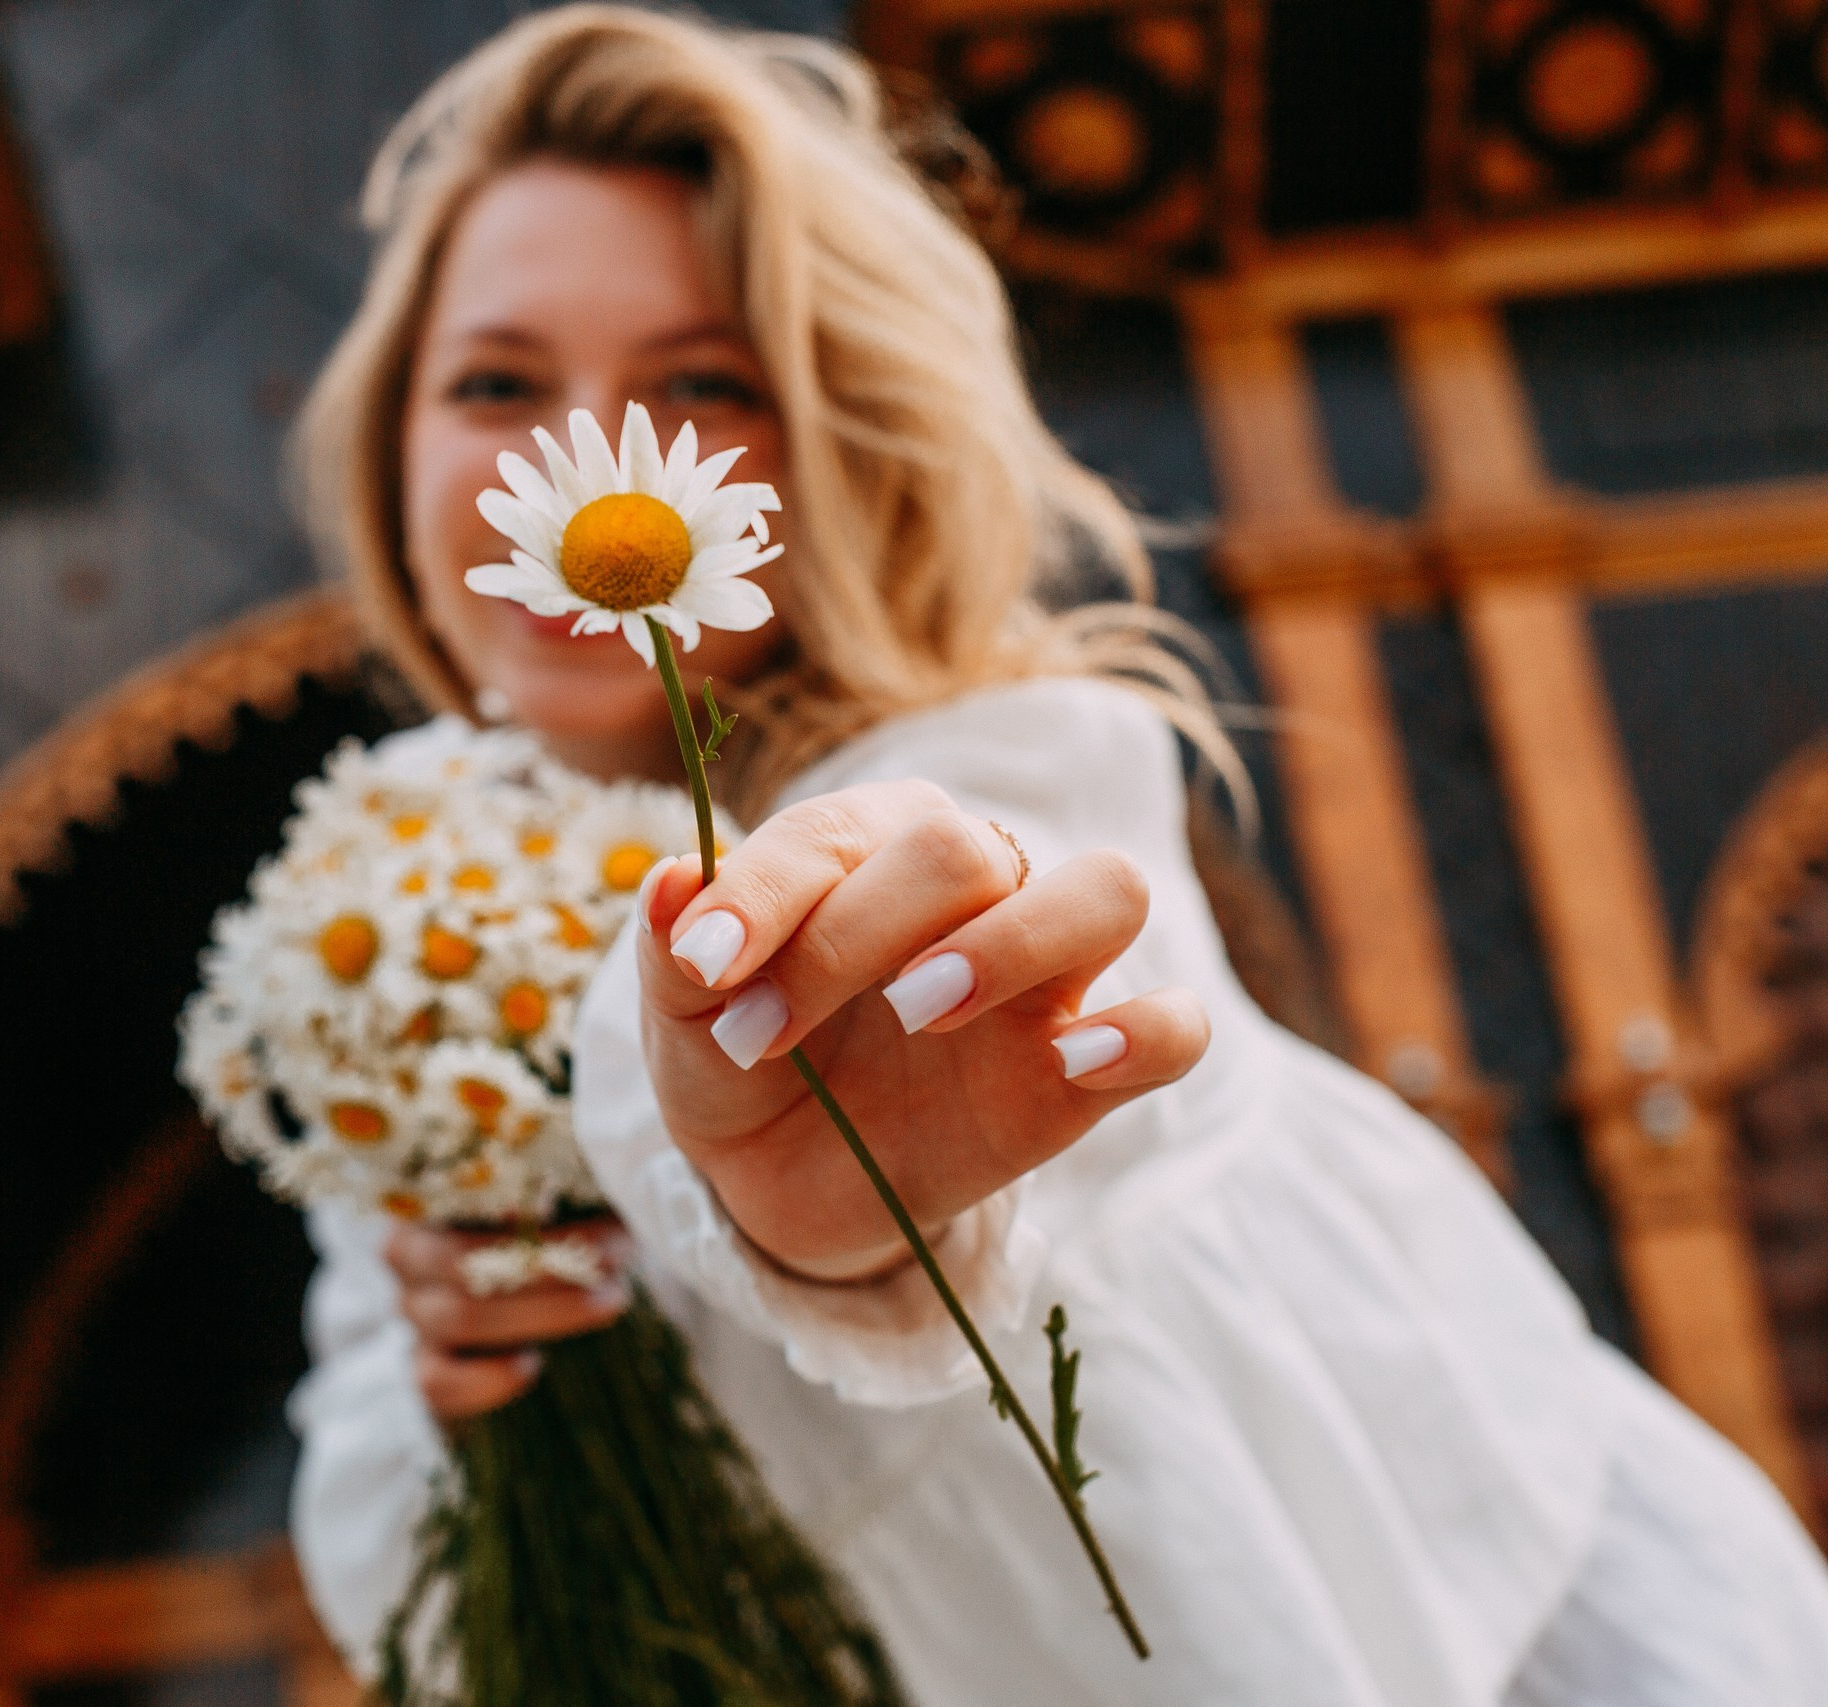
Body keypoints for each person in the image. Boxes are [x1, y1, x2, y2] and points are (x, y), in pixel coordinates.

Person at [278, 7, 1828, 1701]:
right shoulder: (396, 926)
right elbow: (378, 1569)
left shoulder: (1011, 762)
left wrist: (811, 1175)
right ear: (389, 444)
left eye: (703, 384)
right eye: (495, 384)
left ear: (837, 439)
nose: (578, 467)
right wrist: (454, 1379)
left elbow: (895, 986)